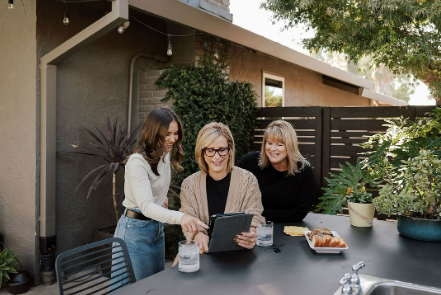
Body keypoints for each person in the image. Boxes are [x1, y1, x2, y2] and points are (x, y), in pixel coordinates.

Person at [111, 107, 208, 287]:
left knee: (156, 286)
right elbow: (146, 206)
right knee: (137, 289)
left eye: (176, 133)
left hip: (155, 228)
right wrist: (181, 217)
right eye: (167, 134)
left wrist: (160, 199)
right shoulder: (136, 162)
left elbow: (154, 191)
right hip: (134, 231)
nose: (172, 139)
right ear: (154, 132)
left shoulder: (164, 153)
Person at [179, 122, 265, 254]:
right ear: (202, 152)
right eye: (210, 150)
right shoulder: (189, 184)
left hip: (238, 256)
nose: (217, 157)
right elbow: (188, 218)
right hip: (200, 255)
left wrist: (251, 233)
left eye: (221, 149)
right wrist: (198, 235)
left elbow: (255, 215)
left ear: (229, 150)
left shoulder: (248, 180)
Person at [237, 120, 317, 222]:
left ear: (290, 146)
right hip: (248, 226)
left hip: (287, 229)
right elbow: (231, 187)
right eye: (269, 143)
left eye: (279, 145)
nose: (272, 149)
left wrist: (256, 214)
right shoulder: (249, 162)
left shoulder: (305, 173)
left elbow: (298, 213)